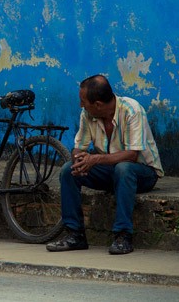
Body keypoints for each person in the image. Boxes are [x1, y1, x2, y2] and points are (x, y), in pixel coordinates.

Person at [46, 74, 164, 255]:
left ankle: (123, 235)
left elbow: (132, 155)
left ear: (98, 105)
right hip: (111, 170)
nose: (81, 105)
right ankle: (75, 234)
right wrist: (79, 159)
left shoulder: (132, 110)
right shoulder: (87, 114)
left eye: (83, 101)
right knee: (68, 170)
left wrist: (95, 159)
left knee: (123, 168)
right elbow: (79, 147)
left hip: (142, 173)